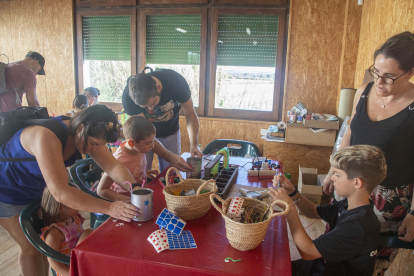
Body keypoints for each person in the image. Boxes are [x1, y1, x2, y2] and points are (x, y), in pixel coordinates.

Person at [0, 105, 139, 276]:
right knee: (31, 248)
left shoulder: (87, 133)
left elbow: (113, 166)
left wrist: (136, 188)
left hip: (34, 187)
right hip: (6, 190)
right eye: (94, 144)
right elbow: (60, 192)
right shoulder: (46, 136)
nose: (93, 150)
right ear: (81, 127)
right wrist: (110, 208)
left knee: (41, 248)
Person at [322, 31, 414, 276]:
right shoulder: (363, 91)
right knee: (332, 254)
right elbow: (350, 133)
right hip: (349, 187)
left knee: (366, 265)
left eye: (389, 77)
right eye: (377, 72)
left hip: (388, 201)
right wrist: (334, 170)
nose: (380, 83)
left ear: (411, 73)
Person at [270, 145, 387, 276]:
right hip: (324, 265)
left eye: (337, 174)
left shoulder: (357, 226)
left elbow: (308, 252)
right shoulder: (349, 204)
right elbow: (313, 211)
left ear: (357, 183)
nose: (332, 178)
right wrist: (292, 192)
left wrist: (290, 208)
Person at [122, 68, 201, 173]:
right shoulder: (128, 96)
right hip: (143, 138)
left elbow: (190, 115)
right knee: (141, 172)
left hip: (170, 132)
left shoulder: (175, 82)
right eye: (145, 107)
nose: (150, 109)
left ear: (159, 88)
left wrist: (194, 144)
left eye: (153, 103)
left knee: (171, 172)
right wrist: (168, 156)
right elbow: (141, 132)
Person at [97, 116, 158, 202]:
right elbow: (101, 190)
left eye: (153, 141)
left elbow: (133, 168)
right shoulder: (118, 160)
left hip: (140, 197)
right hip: (126, 201)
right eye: (148, 143)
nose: (152, 146)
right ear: (131, 143)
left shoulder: (139, 149)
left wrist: (145, 172)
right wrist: (127, 200)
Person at [40, 185, 93, 276]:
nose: (79, 204)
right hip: (70, 269)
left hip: (83, 260)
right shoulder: (55, 232)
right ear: (60, 207)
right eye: (75, 202)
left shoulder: (74, 218)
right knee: (89, 232)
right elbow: (53, 261)